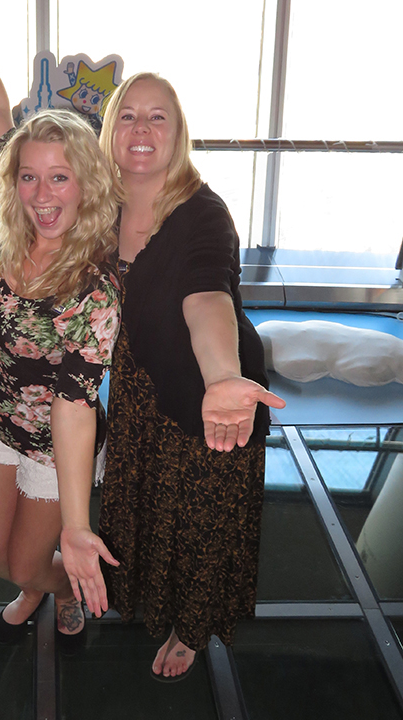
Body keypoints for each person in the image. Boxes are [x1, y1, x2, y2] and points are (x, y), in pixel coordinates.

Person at [63, 72, 286, 680]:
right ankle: (152, 600)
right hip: (138, 386)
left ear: (178, 134)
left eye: (157, 117)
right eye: (128, 115)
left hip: (209, 397)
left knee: (202, 515)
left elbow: (205, 295)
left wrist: (220, 378)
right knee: (152, 506)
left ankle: (192, 626)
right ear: (109, 133)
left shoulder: (203, 214)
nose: (141, 128)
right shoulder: (99, 209)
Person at [0, 0, 121, 645]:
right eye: (29, 175)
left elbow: (78, 408)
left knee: (27, 558)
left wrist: (78, 525)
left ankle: (58, 583)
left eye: (60, 177)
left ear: (85, 184)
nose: (42, 193)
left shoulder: (96, 289)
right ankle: (40, 579)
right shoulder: (12, 224)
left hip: (58, 448)